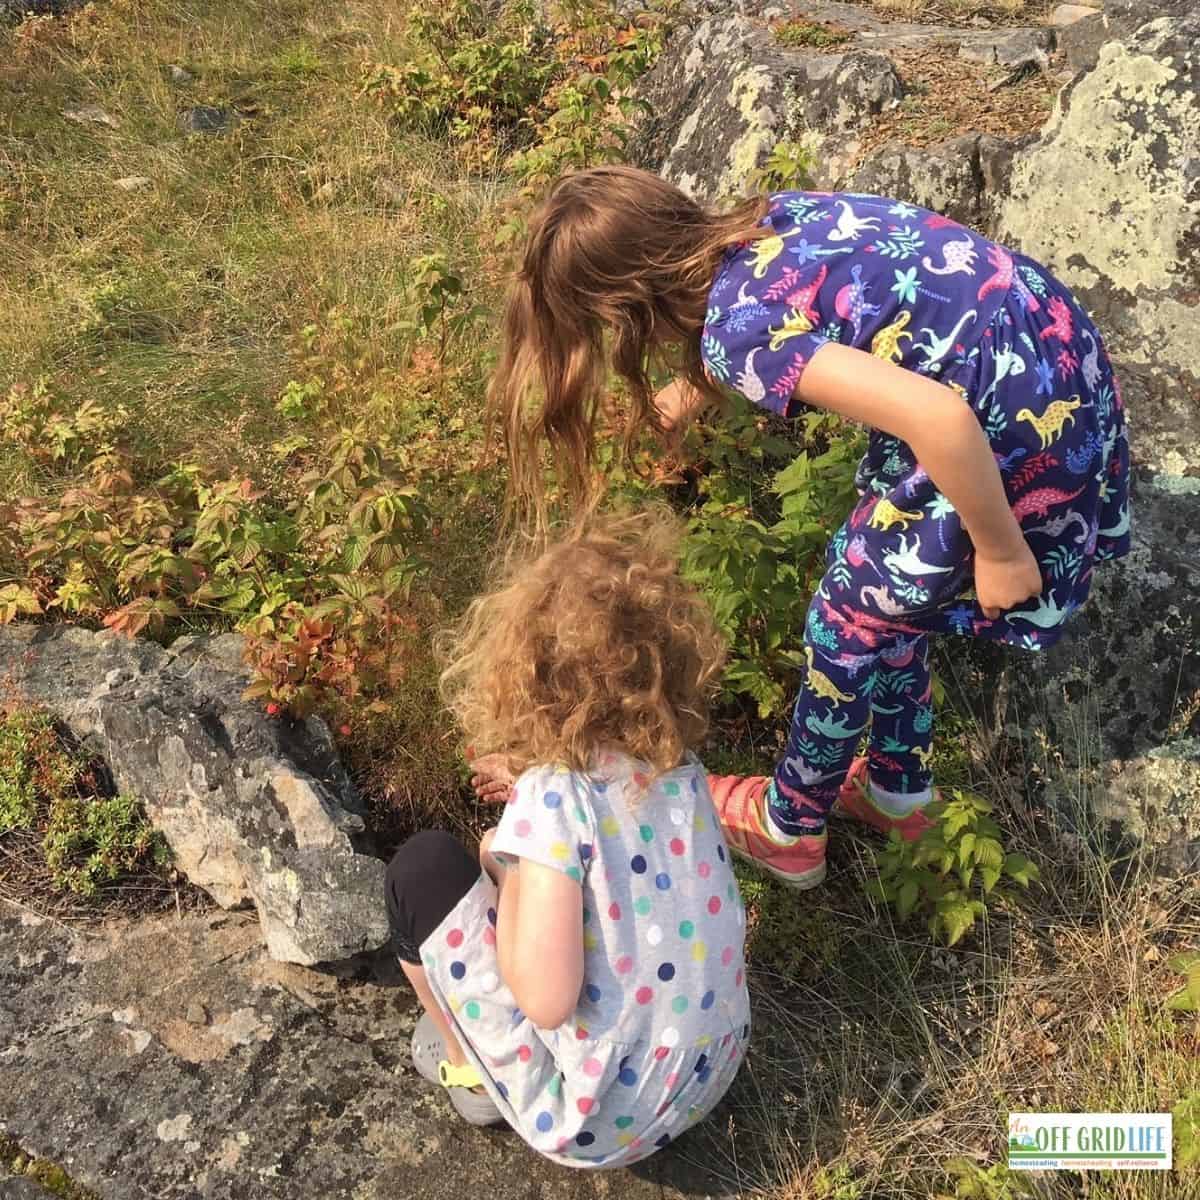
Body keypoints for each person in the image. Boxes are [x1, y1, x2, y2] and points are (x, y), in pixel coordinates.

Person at [483, 164, 1131, 890]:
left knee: (844, 617)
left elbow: (939, 419)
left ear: (628, 312)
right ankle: (897, 789)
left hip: (997, 431)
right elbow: (800, 317)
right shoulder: (771, 219)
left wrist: (1002, 548)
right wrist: (684, 397)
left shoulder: (737, 332)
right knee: (887, 601)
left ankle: (788, 825)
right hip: (1049, 346)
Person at [383, 514, 751, 1166]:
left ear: (526, 672)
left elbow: (546, 1002)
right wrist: (524, 821)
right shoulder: (678, 771)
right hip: (709, 1071)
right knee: (504, 846)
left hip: (598, 1116)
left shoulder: (554, 796)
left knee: (422, 868)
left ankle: (470, 1067)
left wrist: (521, 843)